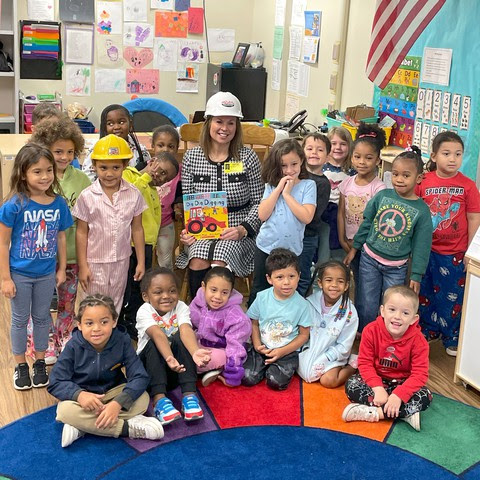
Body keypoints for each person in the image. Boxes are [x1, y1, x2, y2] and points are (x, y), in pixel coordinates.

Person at [177, 92, 263, 299]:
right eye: (219, 121)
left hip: (238, 229)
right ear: (208, 123)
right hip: (202, 229)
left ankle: (221, 314)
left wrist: (243, 229)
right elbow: (189, 201)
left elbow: (260, 202)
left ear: (237, 126)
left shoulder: (248, 157)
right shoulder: (191, 157)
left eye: (231, 123)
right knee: (197, 258)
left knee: (220, 259)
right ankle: (199, 312)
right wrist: (188, 230)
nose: (224, 128)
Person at [0, 143, 73, 390]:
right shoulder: (14, 205)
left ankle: (40, 362)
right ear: (23, 173)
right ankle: (21, 365)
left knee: (43, 319)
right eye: (37, 171)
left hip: (45, 274)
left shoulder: (59, 204)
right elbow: (3, 242)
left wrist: (61, 268)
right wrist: (5, 278)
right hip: (19, 274)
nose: (45, 176)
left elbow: (61, 237)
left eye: (48, 170)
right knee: (20, 320)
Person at [48, 294, 164, 447]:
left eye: (104, 322)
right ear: (80, 325)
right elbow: (55, 381)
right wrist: (79, 395)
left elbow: (139, 377)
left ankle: (82, 426)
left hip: (113, 392)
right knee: (64, 411)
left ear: (114, 322)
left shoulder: (122, 341)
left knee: (143, 398)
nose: (97, 329)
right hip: (85, 400)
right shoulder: (73, 346)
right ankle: (127, 428)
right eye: (89, 323)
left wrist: (117, 404)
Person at [344, 148, 432, 331]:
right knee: (366, 301)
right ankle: (364, 334)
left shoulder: (422, 211)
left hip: (396, 268)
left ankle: (385, 338)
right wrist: (355, 248)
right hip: (369, 259)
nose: (399, 179)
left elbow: (422, 245)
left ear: (418, 178)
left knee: (393, 306)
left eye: (406, 175)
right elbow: (366, 223)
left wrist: (416, 274)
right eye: (396, 174)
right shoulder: (382, 196)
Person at [30, 117, 91, 362]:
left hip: (74, 254)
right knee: (42, 303)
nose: (64, 157)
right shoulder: (37, 177)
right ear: (44, 148)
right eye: (58, 151)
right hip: (41, 257)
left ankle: (64, 337)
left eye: (69, 151)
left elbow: (87, 222)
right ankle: (41, 343)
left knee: (68, 301)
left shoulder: (82, 180)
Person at [416, 132, 480, 356]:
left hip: (454, 253)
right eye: (446, 153)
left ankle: (451, 336)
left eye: (458, 154)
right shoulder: (423, 181)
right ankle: (427, 329)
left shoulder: (468, 186)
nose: (452, 159)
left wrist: (470, 251)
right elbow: (414, 210)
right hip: (425, 251)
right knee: (425, 292)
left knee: (451, 295)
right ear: (433, 155)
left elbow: (474, 218)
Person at [73, 135, 147, 314]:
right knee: (91, 305)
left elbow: (137, 228)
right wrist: (83, 266)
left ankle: (110, 337)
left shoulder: (133, 194)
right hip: (94, 262)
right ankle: (88, 340)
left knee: (115, 303)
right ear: (94, 166)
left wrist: (141, 262)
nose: (109, 173)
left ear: (125, 166)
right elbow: (81, 232)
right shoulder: (87, 196)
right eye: (103, 168)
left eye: (116, 167)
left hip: (121, 260)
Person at [342, 286, 433, 431]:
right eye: (392, 310)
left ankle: (375, 412)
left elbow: (420, 374)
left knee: (425, 396)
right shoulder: (370, 331)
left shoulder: (419, 341)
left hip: (402, 383)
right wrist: (378, 389)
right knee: (352, 385)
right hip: (376, 381)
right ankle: (404, 413)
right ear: (382, 311)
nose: (397, 316)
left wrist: (399, 396)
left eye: (405, 313)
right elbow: (365, 363)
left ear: (413, 319)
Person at [136, 268, 209, 425]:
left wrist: (195, 352)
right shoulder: (144, 310)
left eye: (172, 291)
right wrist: (169, 357)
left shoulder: (181, 307)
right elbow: (157, 334)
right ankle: (159, 400)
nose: (166, 296)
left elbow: (185, 330)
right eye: (158, 292)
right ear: (145, 296)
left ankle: (189, 395)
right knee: (153, 342)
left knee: (180, 337)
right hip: (149, 372)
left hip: (175, 369)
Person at [249, 139, 316, 305]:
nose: (289, 170)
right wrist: (279, 189)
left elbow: (307, 217)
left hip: (292, 250)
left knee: (286, 291)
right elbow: (262, 215)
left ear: (302, 161)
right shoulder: (271, 186)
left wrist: (287, 195)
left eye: (294, 164)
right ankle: (253, 326)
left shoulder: (309, 185)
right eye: (283, 166)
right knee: (260, 288)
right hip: (266, 247)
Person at [243, 248, 311, 390]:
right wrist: (257, 344)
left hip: (287, 352)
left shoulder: (303, 305)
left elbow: (304, 335)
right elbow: (254, 323)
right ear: (269, 279)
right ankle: (263, 368)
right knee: (247, 377)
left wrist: (283, 351)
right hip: (262, 348)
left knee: (276, 382)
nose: (286, 282)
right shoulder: (262, 297)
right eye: (279, 277)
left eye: (291, 276)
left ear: (299, 276)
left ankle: (272, 370)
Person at [338, 124, 386, 300]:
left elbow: (375, 222)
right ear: (351, 158)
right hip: (348, 242)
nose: (362, 162)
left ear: (377, 160)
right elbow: (341, 214)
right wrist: (343, 239)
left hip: (368, 246)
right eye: (357, 157)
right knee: (352, 281)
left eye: (368, 158)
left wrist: (359, 245)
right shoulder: (347, 183)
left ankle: (364, 321)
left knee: (365, 288)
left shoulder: (379, 188)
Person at [119, 151, 164, 339]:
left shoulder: (153, 190)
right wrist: (146, 176)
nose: (160, 177)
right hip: (129, 242)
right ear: (151, 162)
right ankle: (120, 321)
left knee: (139, 285)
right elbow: (129, 196)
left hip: (145, 245)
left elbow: (155, 219)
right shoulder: (130, 174)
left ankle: (133, 322)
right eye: (160, 171)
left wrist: (152, 243)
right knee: (125, 285)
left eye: (165, 177)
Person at [298, 261, 359, 386]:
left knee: (328, 381)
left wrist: (327, 358)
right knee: (293, 369)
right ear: (320, 283)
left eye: (340, 281)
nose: (334, 285)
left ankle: (353, 365)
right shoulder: (308, 303)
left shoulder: (349, 313)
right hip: (310, 350)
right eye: (329, 280)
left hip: (333, 355)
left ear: (347, 285)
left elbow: (344, 345)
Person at [190, 266, 252, 387]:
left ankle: (220, 368)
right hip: (200, 344)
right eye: (213, 290)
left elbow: (235, 348)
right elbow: (188, 326)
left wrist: (232, 377)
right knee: (181, 352)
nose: (218, 296)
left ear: (231, 291)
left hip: (222, 351)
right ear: (203, 286)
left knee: (192, 363)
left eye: (224, 292)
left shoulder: (237, 317)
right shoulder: (198, 302)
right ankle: (211, 370)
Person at [297, 133, 331, 296]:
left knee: (303, 274)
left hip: (307, 236)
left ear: (327, 157)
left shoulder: (323, 184)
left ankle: (299, 306)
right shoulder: (296, 175)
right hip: (288, 233)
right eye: (309, 148)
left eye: (320, 150)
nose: (314, 153)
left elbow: (314, 215)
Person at [82, 104, 151, 182]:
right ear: (104, 127)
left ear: (130, 124)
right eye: (110, 124)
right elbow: (87, 179)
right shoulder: (96, 149)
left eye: (121, 122)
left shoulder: (141, 150)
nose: (116, 127)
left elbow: (148, 174)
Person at [318, 126, 354, 264]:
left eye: (343, 144)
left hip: (343, 215)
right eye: (333, 144)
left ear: (349, 146)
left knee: (339, 253)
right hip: (323, 214)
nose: (338, 147)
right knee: (322, 252)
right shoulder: (321, 167)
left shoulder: (352, 171)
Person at [151, 126, 183, 269]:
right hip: (144, 223)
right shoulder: (145, 167)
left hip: (166, 222)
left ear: (177, 148)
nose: (165, 149)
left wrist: (178, 207)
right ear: (152, 146)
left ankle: (167, 285)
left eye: (171, 146)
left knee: (165, 260)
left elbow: (180, 194)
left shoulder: (179, 171)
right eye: (160, 145)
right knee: (144, 257)